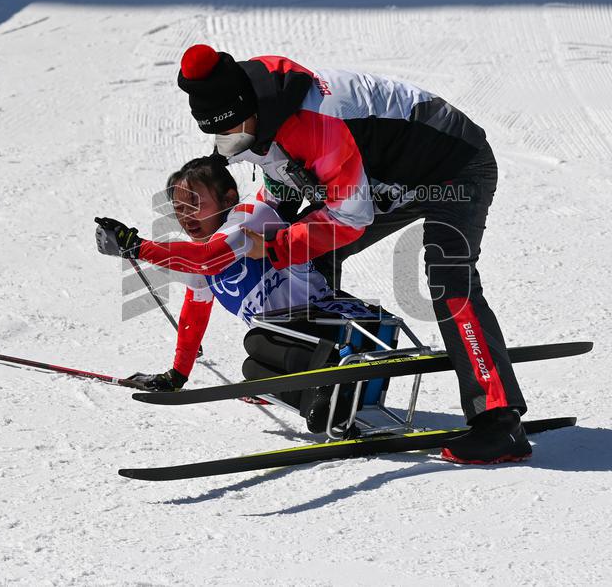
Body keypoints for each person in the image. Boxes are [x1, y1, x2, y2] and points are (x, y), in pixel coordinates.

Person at [174, 44, 530, 464]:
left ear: (250, 108)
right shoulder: (257, 121)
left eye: (235, 127)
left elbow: (349, 216)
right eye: (222, 132)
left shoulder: (315, 121)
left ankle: (499, 422)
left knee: (448, 279)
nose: (231, 139)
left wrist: (272, 244)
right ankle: (321, 373)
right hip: (387, 176)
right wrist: (250, 233)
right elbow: (283, 188)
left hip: (453, 169)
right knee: (307, 258)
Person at [95, 155, 350, 432]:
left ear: (228, 199)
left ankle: (329, 380)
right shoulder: (199, 255)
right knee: (253, 370)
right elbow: (194, 316)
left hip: (332, 325)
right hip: (295, 342)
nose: (187, 217)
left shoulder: (250, 216)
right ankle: (327, 402)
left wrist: (138, 247)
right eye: (179, 209)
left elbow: (208, 258)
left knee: (258, 341)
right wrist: (177, 375)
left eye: (195, 203)